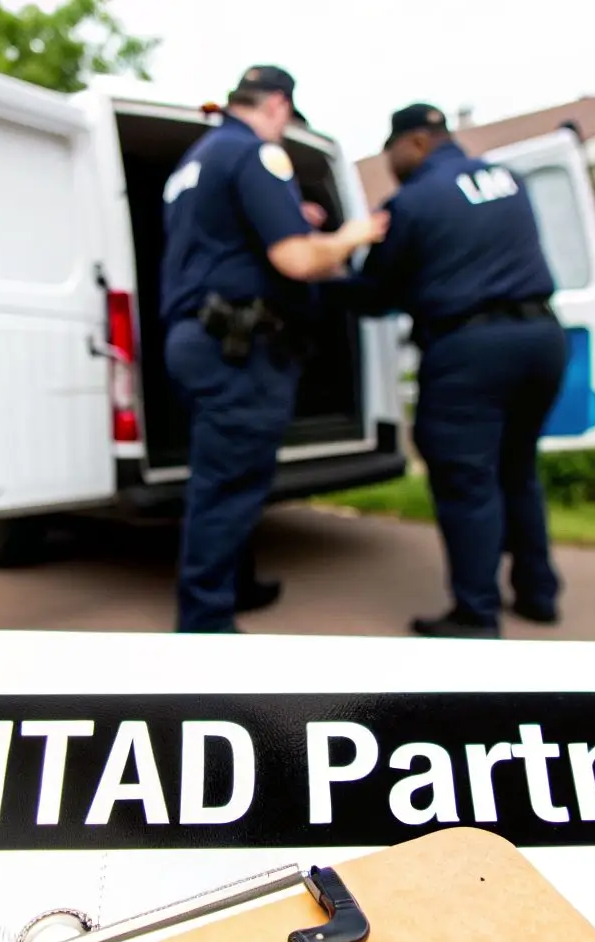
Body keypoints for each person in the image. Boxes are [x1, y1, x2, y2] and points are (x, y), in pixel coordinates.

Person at [158, 65, 388, 634]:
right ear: (279, 106)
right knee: (228, 484)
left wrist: (295, 220)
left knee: (225, 473)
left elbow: (226, 241)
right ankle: (204, 622)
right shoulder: (257, 154)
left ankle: (237, 584)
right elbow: (298, 260)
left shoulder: (193, 163)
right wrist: (355, 234)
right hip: (237, 344)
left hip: (196, 338)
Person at [333, 104, 568, 639]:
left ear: (414, 142)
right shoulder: (508, 179)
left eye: (390, 152)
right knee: (517, 469)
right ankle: (538, 594)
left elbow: (378, 295)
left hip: (472, 349)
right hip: (542, 339)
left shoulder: (412, 203)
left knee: (467, 481)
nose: (390, 164)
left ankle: (475, 614)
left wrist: (325, 276)